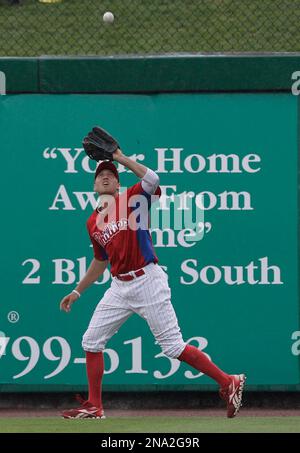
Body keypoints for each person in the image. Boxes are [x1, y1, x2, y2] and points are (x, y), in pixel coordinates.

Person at [60, 147, 246, 419]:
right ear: (94, 184)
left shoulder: (132, 198)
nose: (107, 176)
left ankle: (228, 381)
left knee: (172, 347)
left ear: (118, 182)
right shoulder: (92, 222)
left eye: (111, 174)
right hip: (119, 287)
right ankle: (95, 406)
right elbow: (100, 262)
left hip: (147, 279)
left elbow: (153, 180)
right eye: (101, 175)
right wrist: (77, 291)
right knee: (91, 341)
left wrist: (120, 157)